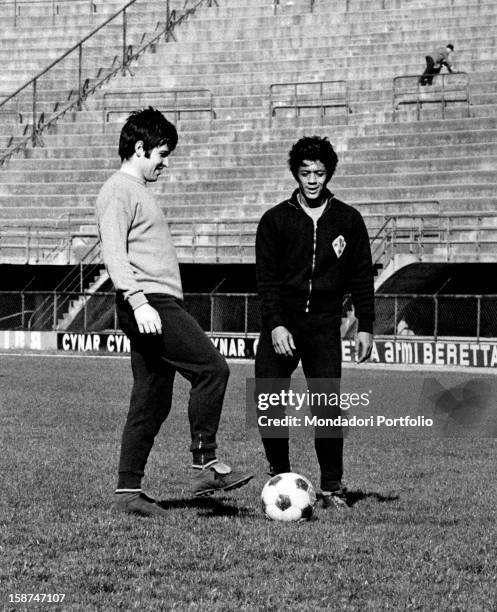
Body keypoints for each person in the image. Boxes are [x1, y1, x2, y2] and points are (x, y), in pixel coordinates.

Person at [95, 107, 252, 517]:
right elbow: (113, 254)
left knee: (150, 400)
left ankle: (128, 493)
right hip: (149, 303)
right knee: (212, 369)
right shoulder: (118, 190)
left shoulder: (138, 190)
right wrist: (139, 300)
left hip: (155, 302)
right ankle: (205, 464)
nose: (166, 163)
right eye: (162, 154)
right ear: (140, 148)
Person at [255, 136, 374, 510]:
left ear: (329, 174)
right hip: (282, 324)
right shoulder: (274, 220)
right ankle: (281, 475)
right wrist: (275, 324)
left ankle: (332, 487)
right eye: (305, 172)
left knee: (327, 405)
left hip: (323, 327)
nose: (312, 180)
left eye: (319, 173)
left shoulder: (348, 219)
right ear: (295, 174)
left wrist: (366, 325)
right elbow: (266, 280)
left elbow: (360, 278)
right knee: (267, 400)